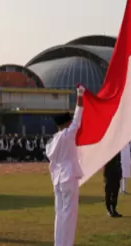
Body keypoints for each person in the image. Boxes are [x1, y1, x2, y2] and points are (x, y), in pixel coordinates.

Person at [45, 86, 85, 246]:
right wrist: (80, 95)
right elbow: (79, 115)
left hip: (58, 179)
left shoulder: (52, 141)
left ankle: (59, 243)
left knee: (60, 215)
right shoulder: (68, 135)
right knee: (70, 215)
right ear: (67, 123)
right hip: (68, 176)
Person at [103, 151, 123, 218]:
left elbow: (119, 161)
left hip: (116, 172)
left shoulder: (118, 150)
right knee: (108, 192)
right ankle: (109, 209)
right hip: (109, 173)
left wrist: (120, 172)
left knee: (115, 192)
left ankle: (114, 209)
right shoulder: (108, 149)